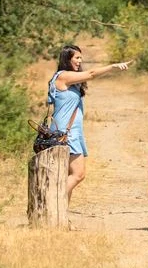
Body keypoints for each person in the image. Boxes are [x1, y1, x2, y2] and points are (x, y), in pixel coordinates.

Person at [48, 44, 132, 204]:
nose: (80, 61)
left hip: (69, 132)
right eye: (77, 58)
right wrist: (113, 66)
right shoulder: (63, 76)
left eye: (81, 58)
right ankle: (50, 200)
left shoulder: (69, 78)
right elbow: (92, 74)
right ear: (67, 59)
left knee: (68, 176)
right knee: (78, 174)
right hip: (66, 133)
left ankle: (62, 217)